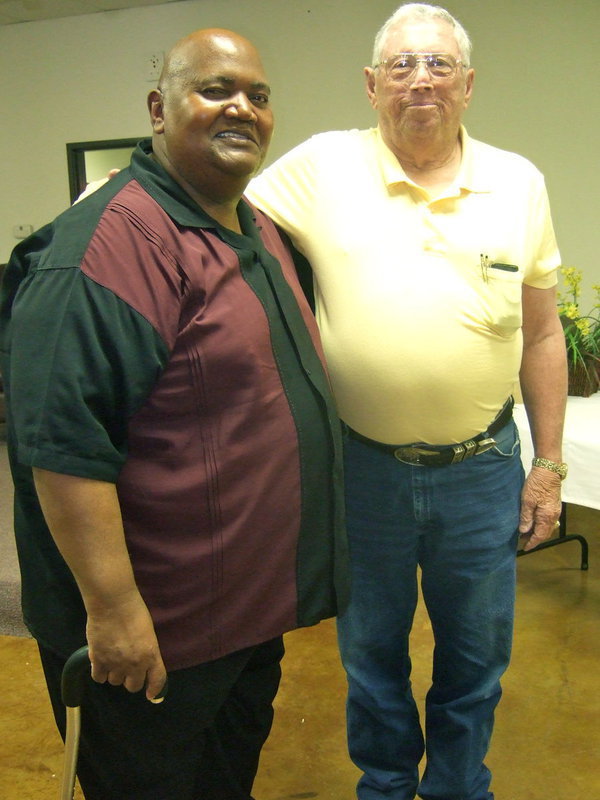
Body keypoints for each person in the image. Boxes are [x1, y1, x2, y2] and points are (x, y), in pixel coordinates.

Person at [0, 29, 349, 800]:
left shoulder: (253, 229)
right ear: (159, 108)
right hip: (156, 639)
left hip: (242, 619)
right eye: (215, 89)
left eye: (257, 95)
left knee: (224, 781)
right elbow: (60, 446)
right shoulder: (105, 251)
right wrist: (115, 613)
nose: (243, 108)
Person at [246, 3, 567, 799]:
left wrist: (550, 466)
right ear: (370, 85)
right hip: (365, 473)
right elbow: (216, 212)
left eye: (437, 64)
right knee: (371, 658)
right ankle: (385, 786)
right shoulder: (321, 166)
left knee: (476, 660)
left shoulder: (518, 181)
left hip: (484, 469)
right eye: (401, 65)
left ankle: (458, 788)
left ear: (467, 84)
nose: (420, 79)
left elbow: (542, 336)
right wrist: (129, 194)